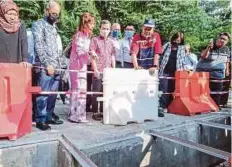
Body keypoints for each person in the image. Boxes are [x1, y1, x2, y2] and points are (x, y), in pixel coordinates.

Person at [32, 0, 63, 130]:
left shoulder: (54, 26)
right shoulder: (38, 25)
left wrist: (60, 65)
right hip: (46, 67)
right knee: (43, 94)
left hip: (57, 66)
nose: (55, 16)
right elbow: (38, 46)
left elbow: (57, 48)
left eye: (57, 14)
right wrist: (46, 64)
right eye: (53, 13)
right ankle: (40, 119)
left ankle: (49, 116)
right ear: (47, 11)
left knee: (52, 95)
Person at [130, 18, 164, 117]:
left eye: (150, 28)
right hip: (140, 66)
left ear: (153, 29)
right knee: (138, 89)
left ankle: (156, 107)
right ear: (142, 27)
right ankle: (138, 108)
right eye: (146, 28)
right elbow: (133, 53)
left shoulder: (156, 36)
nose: (147, 31)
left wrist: (154, 66)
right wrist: (136, 66)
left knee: (153, 88)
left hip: (151, 67)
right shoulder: (136, 37)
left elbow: (157, 53)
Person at [68, 12, 95, 123]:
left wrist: (90, 54)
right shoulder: (79, 35)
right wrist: (90, 52)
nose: (93, 26)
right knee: (77, 90)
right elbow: (79, 52)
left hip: (82, 66)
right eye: (92, 24)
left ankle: (81, 115)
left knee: (82, 90)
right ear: (85, 24)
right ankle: (74, 115)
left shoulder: (87, 36)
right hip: (76, 66)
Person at [89, 20, 116, 121]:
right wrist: (95, 69)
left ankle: (105, 111)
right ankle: (95, 111)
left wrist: (114, 68)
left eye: (107, 29)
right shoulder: (95, 40)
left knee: (106, 92)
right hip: (98, 70)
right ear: (100, 28)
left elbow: (112, 55)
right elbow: (92, 55)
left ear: (110, 30)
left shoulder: (111, 41)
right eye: (103, 28)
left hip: (108, 71)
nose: (105, 31)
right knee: (96, 91)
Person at [196, 32, 230, 107]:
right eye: (221, 38)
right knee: (202, 92)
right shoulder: (210, 45)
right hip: (204, 72)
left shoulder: (226, 49)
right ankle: (201, 106)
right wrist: (208, 47)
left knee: (217, 92)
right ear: (218, 38)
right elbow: (203, 56)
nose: (222, 40)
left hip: (219, 73)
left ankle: (215, 106)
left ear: (227, 41)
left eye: (225, 39)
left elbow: (227, 60)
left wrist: (227, 70)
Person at [159, 32, 186, 113]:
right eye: (177, 37)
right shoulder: (167, 45)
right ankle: (162, 106)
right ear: (174, 37)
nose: (179, 39)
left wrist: (184, 70)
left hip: (176, 71)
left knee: (172, 89)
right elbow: (159, 53)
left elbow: (183, 60)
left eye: (180, 38)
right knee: (164, 88)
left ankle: (170, 106)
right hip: (165, 70)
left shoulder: (182, 48)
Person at [0, 0, 30, 68]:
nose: (12, 17)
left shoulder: (20, 25)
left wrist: (25, 59)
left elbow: (24, 42)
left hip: (16, 65)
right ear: (2, 13)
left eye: (15, 14)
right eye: (9, 14)